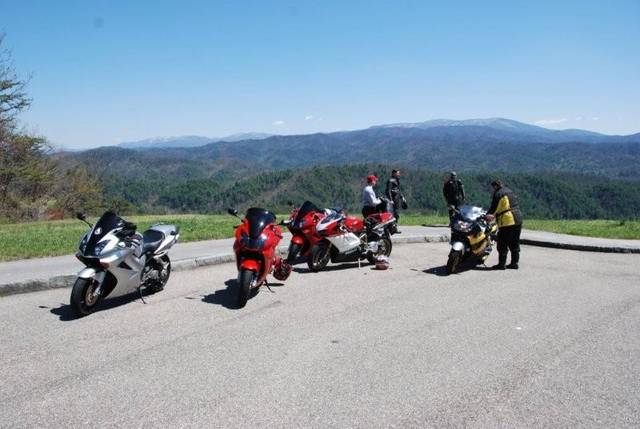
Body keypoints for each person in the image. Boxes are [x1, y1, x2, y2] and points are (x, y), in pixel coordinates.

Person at [485, 179, 523, 270]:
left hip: (507, 221)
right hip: (518, 218)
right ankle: (514, 263)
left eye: (492, 188)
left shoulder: (498, 194)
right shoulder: (509, 191)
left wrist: (487, 216)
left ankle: (501, 265)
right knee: (514, 242)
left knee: (502, 243)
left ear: (495, 186)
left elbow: (493, 208)